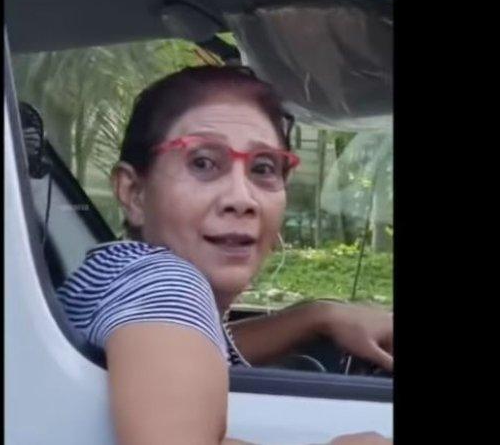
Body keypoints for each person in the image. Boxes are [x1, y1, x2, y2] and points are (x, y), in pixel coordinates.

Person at [56, 65, 392, 445]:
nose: (241, 199)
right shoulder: (161, 280)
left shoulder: (121, 277)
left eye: (263, 168)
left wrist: (317, 317)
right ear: (133, 193)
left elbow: (189, 350)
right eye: (202, 163)